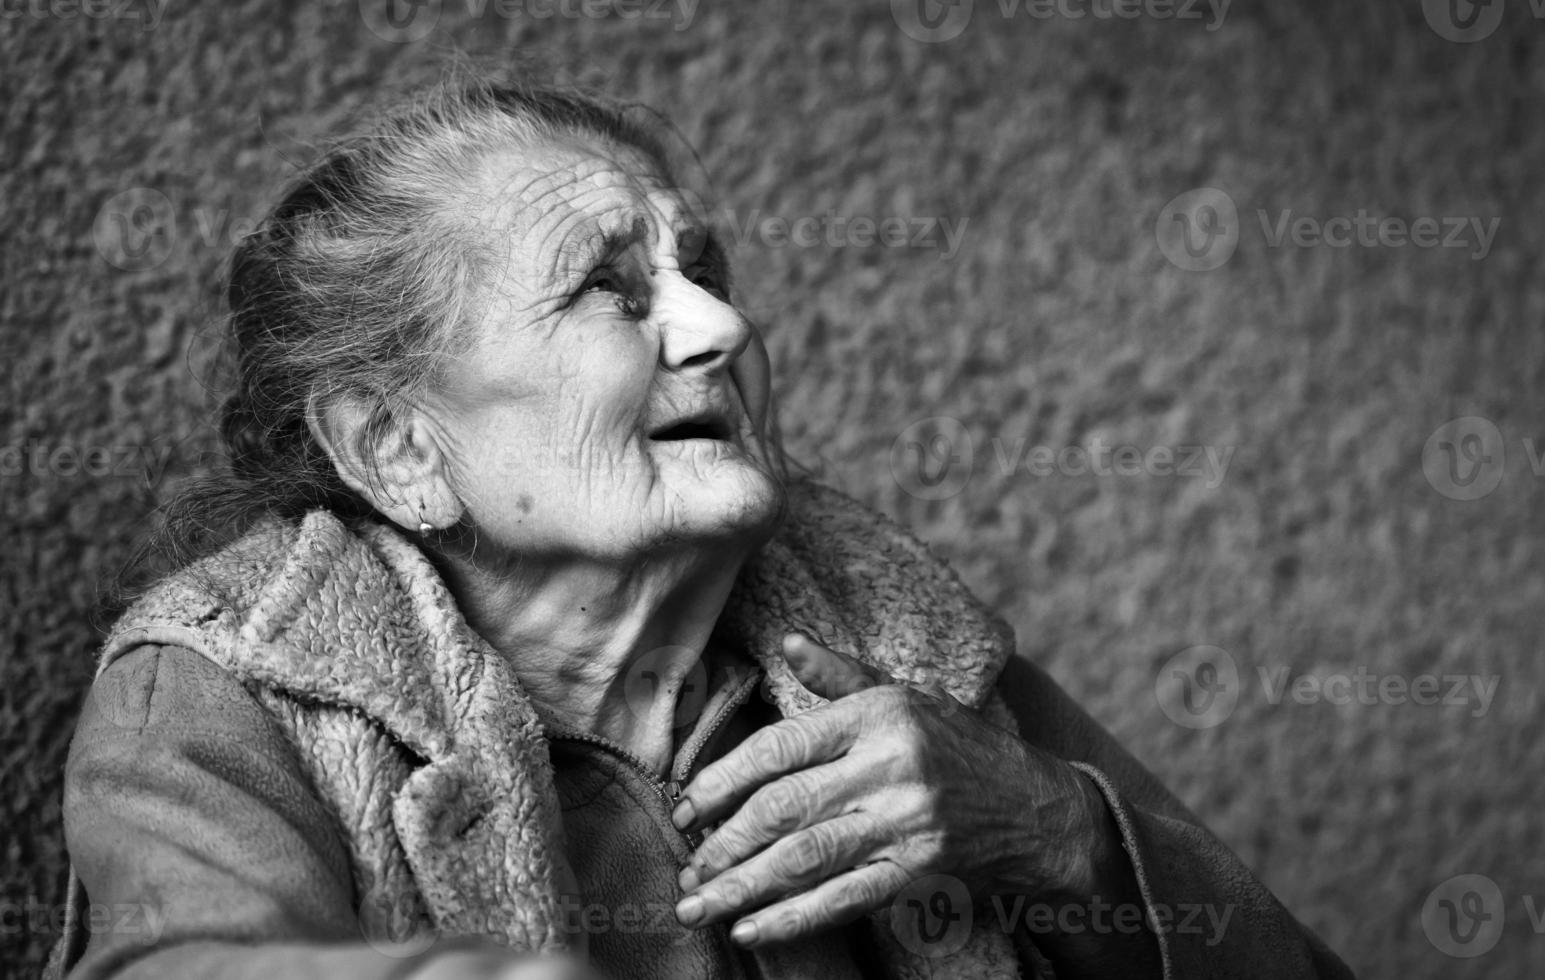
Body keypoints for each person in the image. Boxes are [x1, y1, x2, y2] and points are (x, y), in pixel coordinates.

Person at [46, 77, 1354, 980]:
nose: (716, 329)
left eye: (702, 273)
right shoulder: (236, 684)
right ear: (396, 445)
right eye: (608, 292)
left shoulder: (880, 618)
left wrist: (1041, 829)